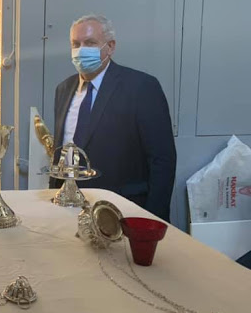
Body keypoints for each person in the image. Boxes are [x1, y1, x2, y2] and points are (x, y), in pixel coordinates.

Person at [51, 15, 176, 221]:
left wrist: (153, 219)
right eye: (75, 44)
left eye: (90, 43)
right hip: (69, 207)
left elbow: (162, 160)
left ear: (110, 47)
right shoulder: (64, 89)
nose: (81, 50)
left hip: (122, 211)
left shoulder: (141, 87)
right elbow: (61, 151)